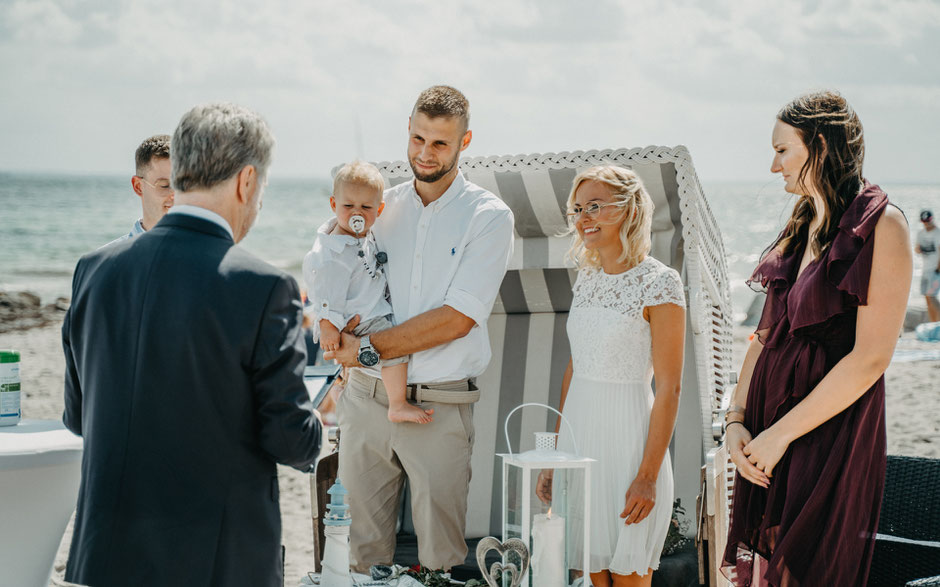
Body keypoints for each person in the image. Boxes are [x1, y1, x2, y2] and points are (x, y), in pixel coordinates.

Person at [62, 103, 323, 587]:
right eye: (261, 189)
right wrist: (318, 425)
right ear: (247, 182)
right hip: (215, 562)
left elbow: (78, 415)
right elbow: (290, 438)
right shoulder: (265, 287)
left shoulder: (94, 270)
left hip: (106, 556)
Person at [722, 91, 911, 586]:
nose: (772, 165)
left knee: (805, 573)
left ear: (821, 146)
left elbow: (871, 358)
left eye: (782, 149)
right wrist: (736, 421)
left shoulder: (882, 227)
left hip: (826, 429)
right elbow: (764, 338)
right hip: (766, 431)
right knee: (765, 572)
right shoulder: (801, 225)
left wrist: (780, 435)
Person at [325, 85, 514, 572]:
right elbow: (335, 268)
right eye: (417, 139)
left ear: (465, 142)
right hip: (364, 400)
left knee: (440, 558)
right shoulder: (378, 207)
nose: (424, 153)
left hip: (440, 403)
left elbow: (457, 319)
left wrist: (363, 349)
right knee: (362, 554)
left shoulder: (489, 218)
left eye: (439, 143)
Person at [535, 165, 686, 587]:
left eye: (595, 207)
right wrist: (555, 457)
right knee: (588, 579)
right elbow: (574, 368)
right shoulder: (586, 279)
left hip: (629, 450)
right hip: (580, 445)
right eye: (578, 209)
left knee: (630, 578)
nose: (583, 218)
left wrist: (648, 477)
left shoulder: (660, 283)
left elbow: (671, 387)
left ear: (629, 209)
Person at [303, 160, 429, 424]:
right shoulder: (333, 253)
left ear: (379, 209)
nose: (356, 213)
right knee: (395, 350)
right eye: (348, 206)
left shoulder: (360, 237)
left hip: (364, 310)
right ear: (333, 205)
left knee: (352, 365)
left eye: (366, 207)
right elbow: (326, 290)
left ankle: (340, 390)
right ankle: (398, 404)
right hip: (364, 316)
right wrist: (327, 325)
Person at [108, 134, 175, 243]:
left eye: (183, 185)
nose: (177, 195)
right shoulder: (106, 259)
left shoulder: (209, 253)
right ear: (138, 187)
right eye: (164, 185)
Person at [915, 209, 940, 322]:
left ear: (932, 220)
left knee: (932, 296)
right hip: (924, 270)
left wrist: (938, 270)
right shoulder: (921, 233)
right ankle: (933, 323)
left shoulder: (937, 233)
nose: (927, 223)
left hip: (935, 271)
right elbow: (917, 249)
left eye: (928, 221)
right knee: (927, 298)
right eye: (924, 221)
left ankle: (938, 323)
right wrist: (919, 250)